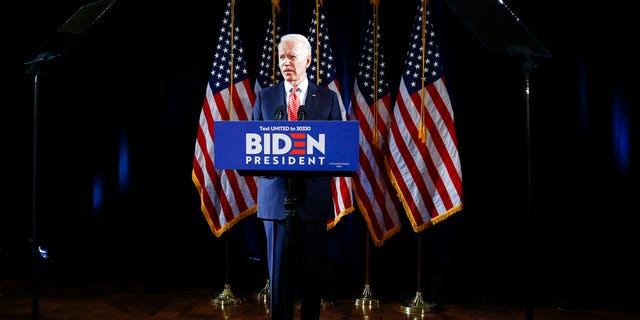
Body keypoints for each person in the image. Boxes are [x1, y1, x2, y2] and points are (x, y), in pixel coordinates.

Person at [252, 33, 343, 320]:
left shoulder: (327, 99)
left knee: (311, 279)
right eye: (281, 57)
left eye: (292, 56)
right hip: (275, 200)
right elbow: (253, 148)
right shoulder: (265, 98)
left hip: (312, 200)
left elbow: (338, 147)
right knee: (278, 280)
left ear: (307, 60)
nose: (285, 62)